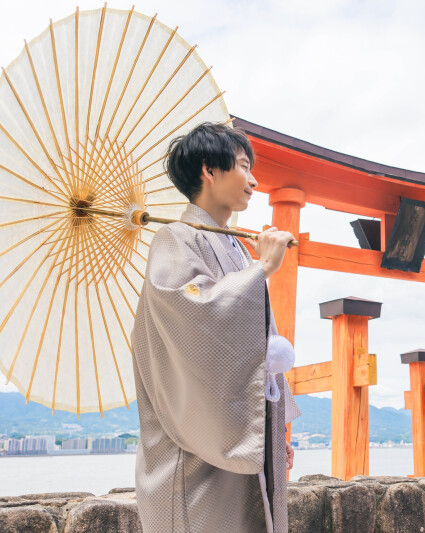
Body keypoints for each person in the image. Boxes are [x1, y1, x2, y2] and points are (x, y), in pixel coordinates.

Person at [131, 122, 300, 533]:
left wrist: (273, 428)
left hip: (238, 439)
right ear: (209, 171)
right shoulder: (175, 238)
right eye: (243, 165)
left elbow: (259, 346)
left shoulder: (234, 248)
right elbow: (194, 313)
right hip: (193, 453)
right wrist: (262, 269)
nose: (253, 179)